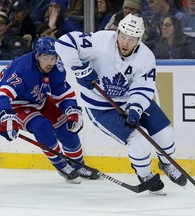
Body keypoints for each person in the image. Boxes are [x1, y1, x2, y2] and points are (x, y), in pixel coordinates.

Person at [55, 14, 187, 194]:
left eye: (131, 39)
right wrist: (79, 69)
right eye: (123, 36)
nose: (125, 42)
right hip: (101, 107)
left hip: (129, 101)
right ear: (117, 32)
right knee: (138, 140)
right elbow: (63, 42)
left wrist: (135, 108)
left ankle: (166, 164)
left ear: (139, 39)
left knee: (166, 133)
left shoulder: (146, 57)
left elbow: (143, 87)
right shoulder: (100, 41)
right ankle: (145, 175)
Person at [0, 36, 99, 183]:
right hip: (18, 105)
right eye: (46, 57)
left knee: (67, 127)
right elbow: (1, 96)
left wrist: (72, 110)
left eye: (54, 58)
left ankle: (78, 164)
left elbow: (63, 94)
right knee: (42, 126)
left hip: (40, 99)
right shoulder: (23, 70)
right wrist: (7, 117)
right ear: (37, 55)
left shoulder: (57, 69)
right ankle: (61, 165)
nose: (51, 62)